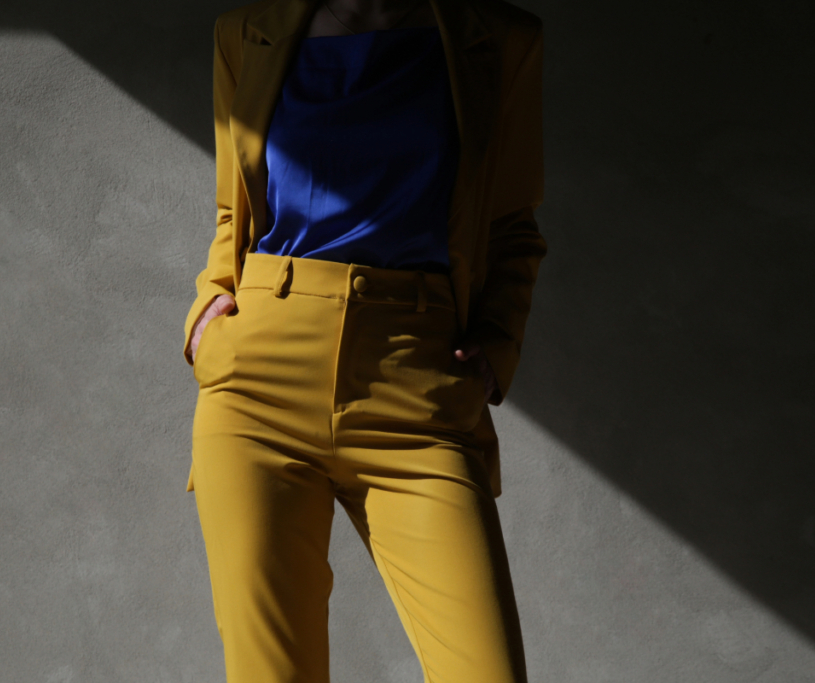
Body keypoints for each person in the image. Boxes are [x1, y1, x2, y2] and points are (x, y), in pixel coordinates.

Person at [182, 0, 545, 679]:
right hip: (258, 384)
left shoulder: (500, 41)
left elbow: (511, 222)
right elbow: (236, 207)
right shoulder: (247, 35)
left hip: (417, 381)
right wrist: (208, 311)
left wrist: (497, 346)